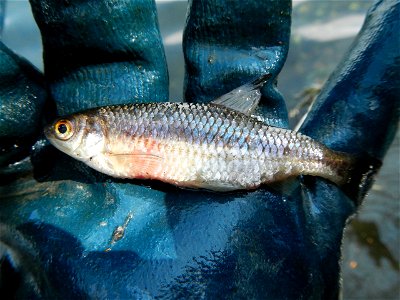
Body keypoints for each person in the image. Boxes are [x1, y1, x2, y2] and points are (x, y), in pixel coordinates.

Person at [0, 0, 398, 298]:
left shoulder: (106, 145)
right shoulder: (107, 140)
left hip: (247, 150)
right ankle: (337, 169)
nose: (58, 134)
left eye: (65, 129)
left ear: (94, 130)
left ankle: (339, 169)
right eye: (62, 129)